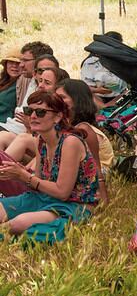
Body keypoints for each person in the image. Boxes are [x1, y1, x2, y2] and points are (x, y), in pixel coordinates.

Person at [0, 90, 100, 243]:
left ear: (57, 117)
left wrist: (25, 177)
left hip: (73, 205)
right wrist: (17, 174)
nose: (33, 116)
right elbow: (38, 185)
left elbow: (63, 192)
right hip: (44, 198)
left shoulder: (70, 142)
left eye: (40, 112)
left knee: (18, 224)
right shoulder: (41, 141)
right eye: (29, 111)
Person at [0, 51, 23, 122]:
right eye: (11, 62)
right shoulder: (3, 81)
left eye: (18, 63)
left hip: (5, 123)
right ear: (6, 64)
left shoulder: (22, 83)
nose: (14, 66)